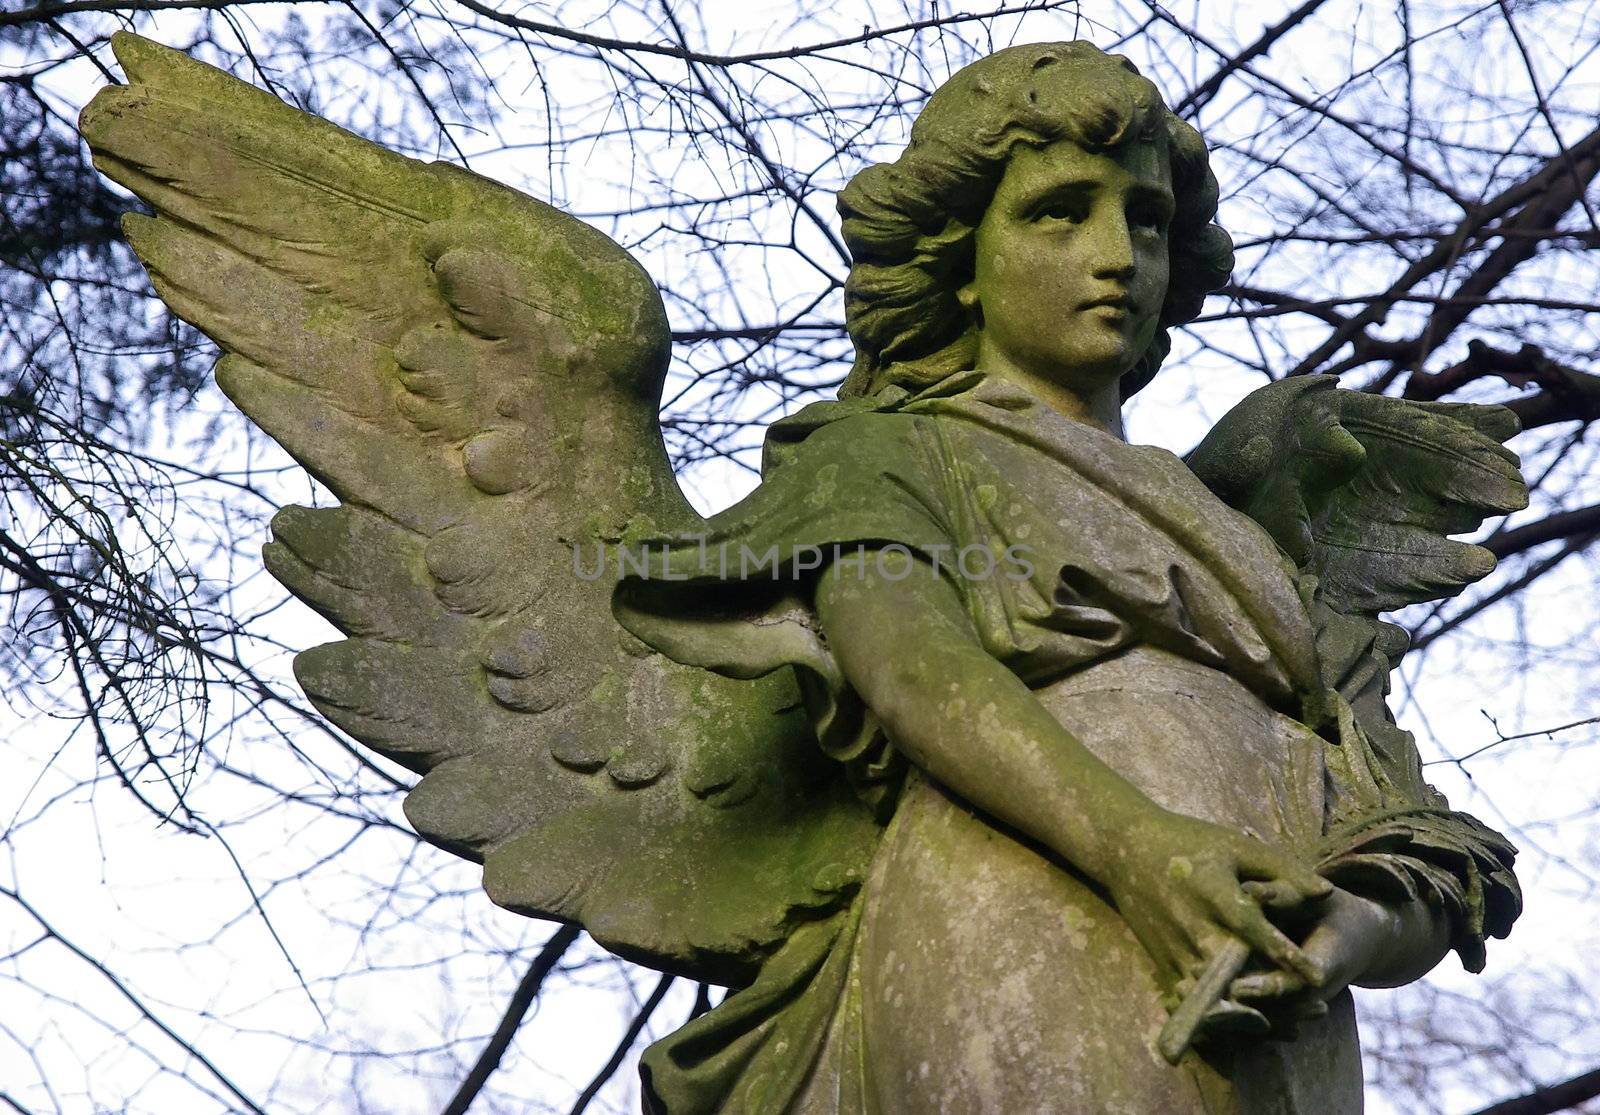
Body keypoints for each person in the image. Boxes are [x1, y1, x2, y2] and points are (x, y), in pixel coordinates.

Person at [615, 41, 1518, 1114]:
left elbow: (1410, 821)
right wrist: (1136, 844)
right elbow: (912, 671)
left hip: (1277, 1009)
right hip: (1013, 931)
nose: (1118, 254)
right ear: (961, 256)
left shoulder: (1250, 541)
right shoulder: (888, 454)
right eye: (1057, 212)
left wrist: (1355, 923)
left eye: (1143, 218)